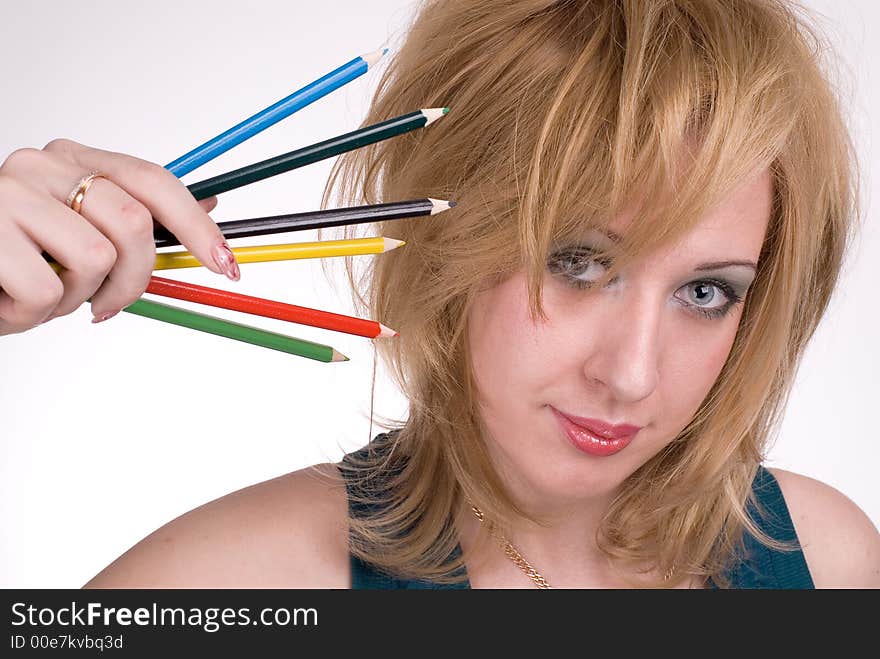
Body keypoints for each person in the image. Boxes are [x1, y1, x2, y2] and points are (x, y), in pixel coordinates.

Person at [3, 0, 878, 588]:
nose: (633, 375)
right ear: (444, 239)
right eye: (576, 262)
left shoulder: (826, 559)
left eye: (706, 292)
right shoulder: (230, 579)